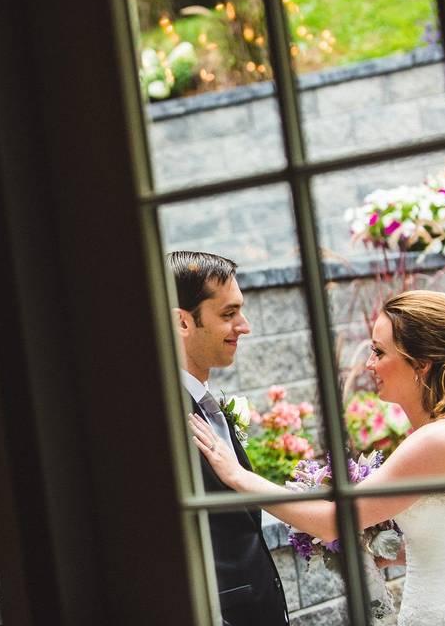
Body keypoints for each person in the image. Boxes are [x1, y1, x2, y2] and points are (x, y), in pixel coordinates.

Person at [190, 289, 445, 626]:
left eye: (379, 351)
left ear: (421, 364)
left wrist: (238, 476)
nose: (368, 364)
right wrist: (401, 553)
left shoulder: (436, 442)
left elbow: (334, 520)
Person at [167, 251, 290, 626]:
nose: (245, 326)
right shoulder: (165, 416)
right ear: (182, 322)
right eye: (228, 314)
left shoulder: (203, 403)